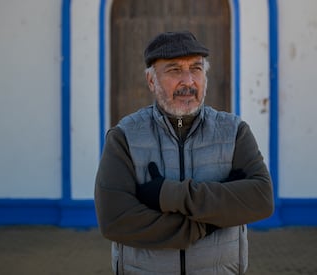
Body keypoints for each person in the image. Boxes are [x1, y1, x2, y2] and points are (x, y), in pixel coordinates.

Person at [95, 31, 274, 275]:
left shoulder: (234, 132)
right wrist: (206, 224)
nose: (188, 81)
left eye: (196, 68)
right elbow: (115, 221)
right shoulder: (124, 137)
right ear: (151, 81)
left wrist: (167, 194)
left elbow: (261, 199)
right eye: (174, 70)